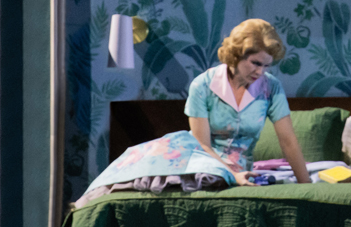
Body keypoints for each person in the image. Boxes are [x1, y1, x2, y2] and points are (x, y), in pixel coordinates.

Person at [78, 19, 311, 206]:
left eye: (266, 65)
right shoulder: (203, 85)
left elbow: (288, 140)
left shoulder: (271, 87)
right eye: (255, 63)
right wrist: (232, 175)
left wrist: (308, 187)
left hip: (243, 170)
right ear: (236, 55)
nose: (260, 72)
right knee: (142, 172)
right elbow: (203, 145)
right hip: (203, 161)